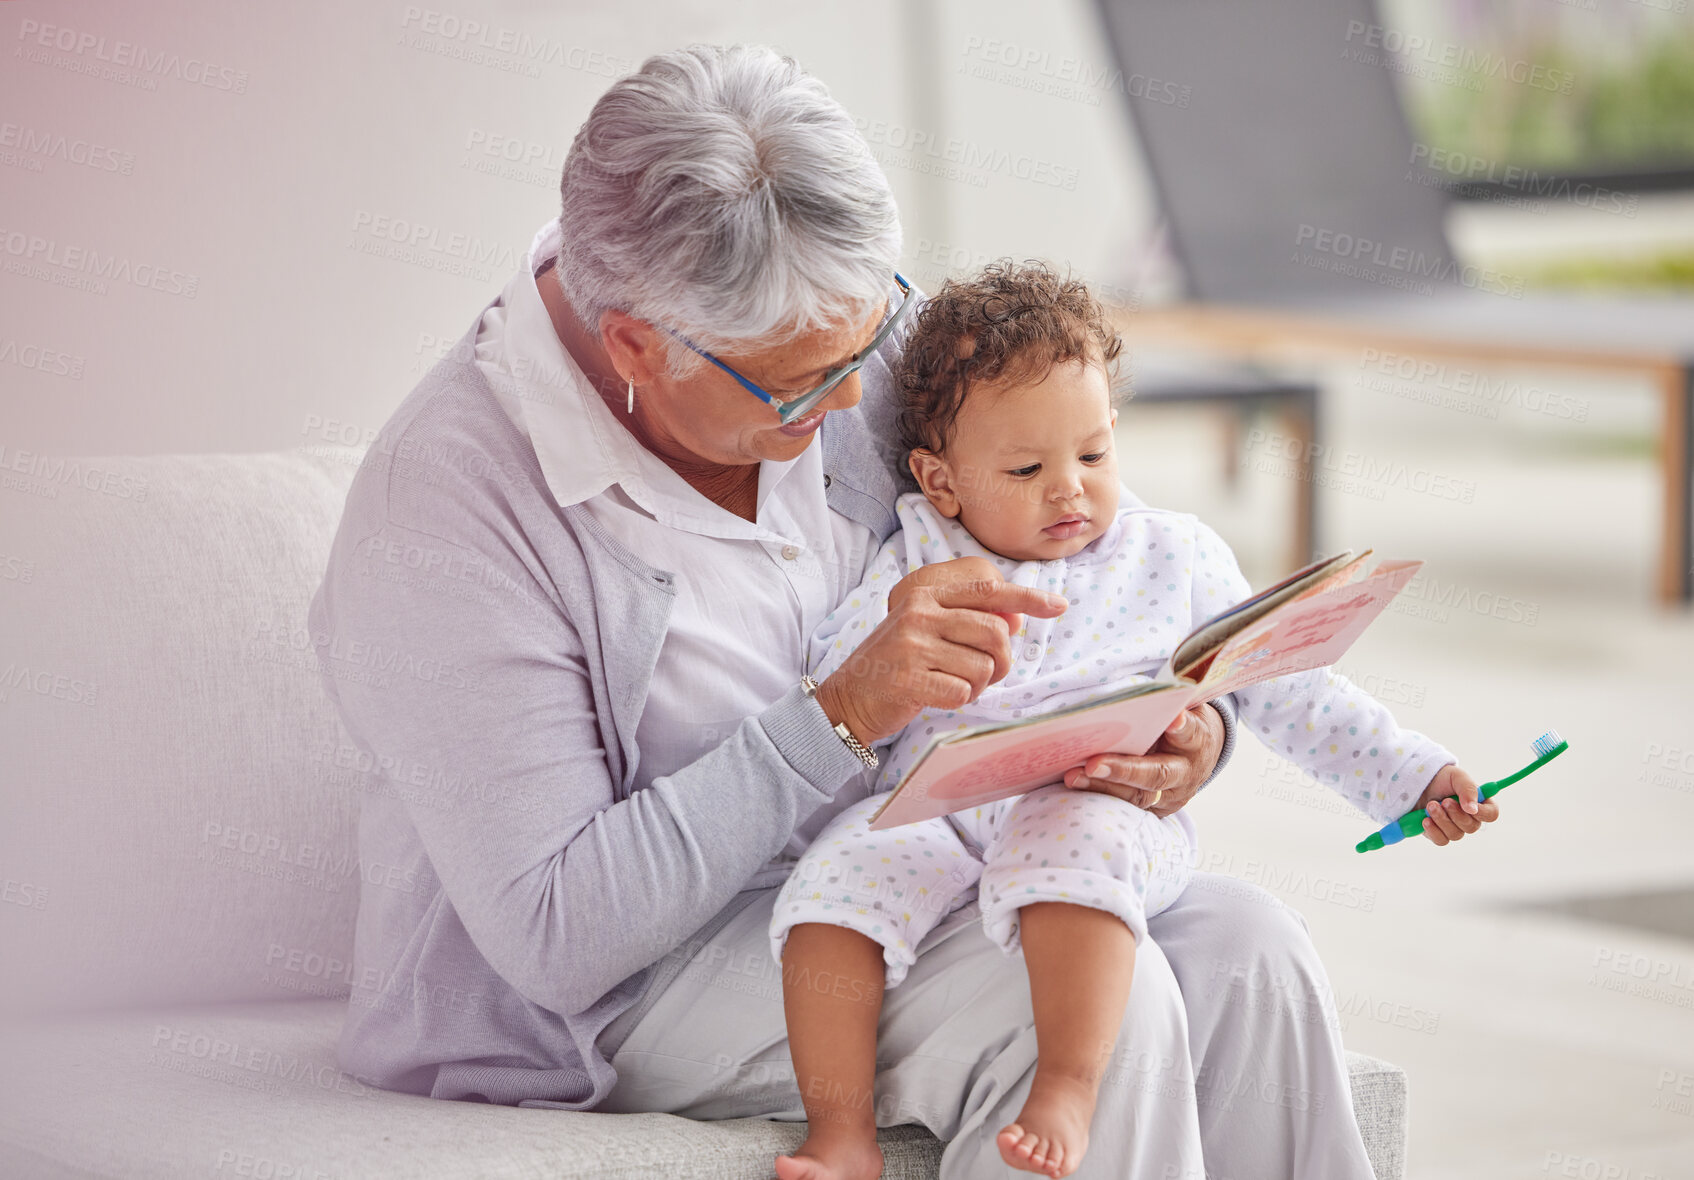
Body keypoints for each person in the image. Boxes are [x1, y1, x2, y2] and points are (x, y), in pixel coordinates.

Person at [307, 43, 1494, 1179]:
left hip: (912, 860)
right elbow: (558, 934)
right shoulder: (450, 509)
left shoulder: (835, 334)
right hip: (620, 984)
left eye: (867, 344)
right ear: (636, 344)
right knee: (1068, 1012)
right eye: (802, 385)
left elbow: (1096, 562)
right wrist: (840, 711)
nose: (851, 406)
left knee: (1248, 953)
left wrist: (1184, 738)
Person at [767, 261, 1492, 1179]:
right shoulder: (918, 553)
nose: (1070, 490)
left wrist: (1415, 777)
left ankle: (1070, 1085)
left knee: (1069, 850)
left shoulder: (1168, 555)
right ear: (940, 480)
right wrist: (877, 680)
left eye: (1095, 455)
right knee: (833, 888)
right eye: (1027, 469)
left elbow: (1293, 688)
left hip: (1090, 800)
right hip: (942, 820)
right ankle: (841, 1136)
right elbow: (841, 676)